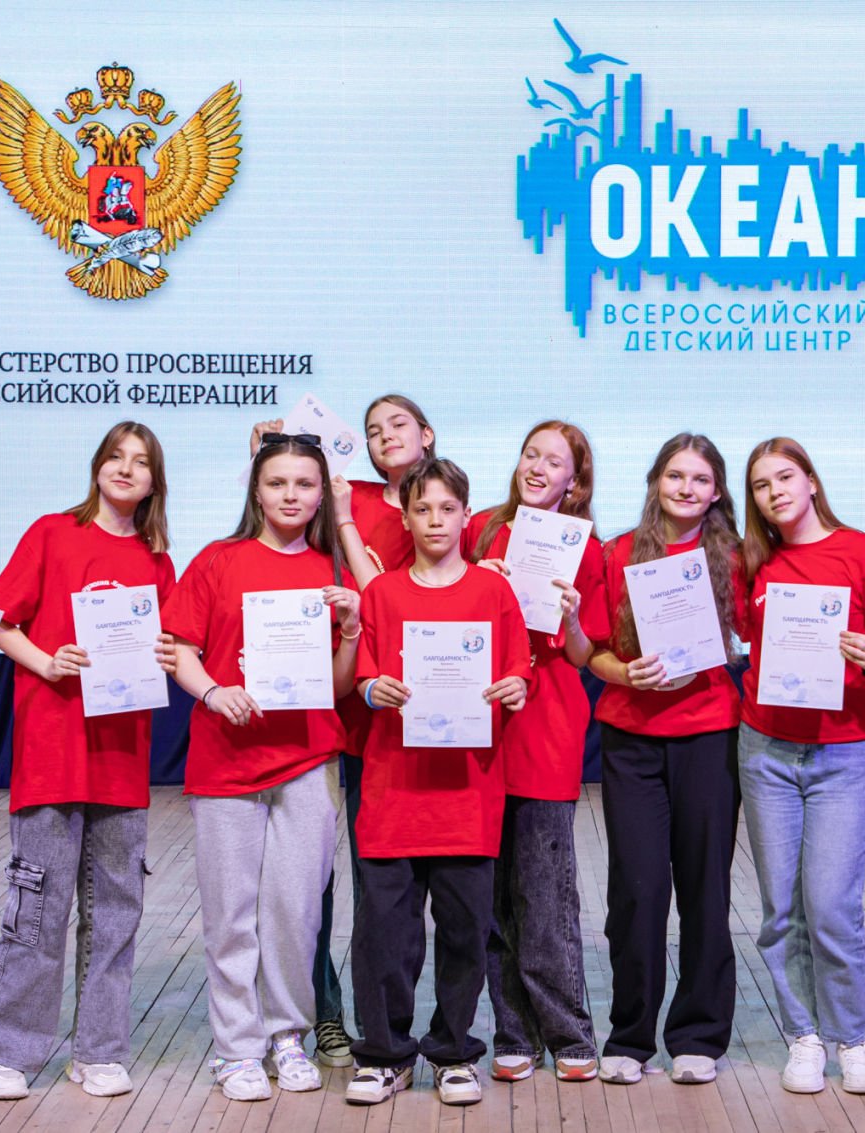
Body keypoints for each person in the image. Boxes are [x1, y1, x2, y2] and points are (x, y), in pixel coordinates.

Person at [0, 421, 177, 1101]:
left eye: (140, 462)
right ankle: (9, 1050)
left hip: (121, 760)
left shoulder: (156, 560)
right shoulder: (52, 533)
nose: (125, 469)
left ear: (153, 482)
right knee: (37, 907)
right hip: (53, 754)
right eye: (115, 456)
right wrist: (46, 662)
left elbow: (169, 645)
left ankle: (100, 1050)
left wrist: (168, 653)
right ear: (96, 466)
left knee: (115, 912)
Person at [164, 434, 362, 1101]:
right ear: (256, 489)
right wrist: (212, 691)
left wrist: (353, 631)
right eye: (278, 482)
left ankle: (287, 1036)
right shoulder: (217, 561)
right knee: (230, 914)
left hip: (306, 760)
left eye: (305, 484)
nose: (291, 495)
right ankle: (237, 1048)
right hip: (226, 762)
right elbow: (181, 649)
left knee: (295, 911)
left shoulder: (332, 572)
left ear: (322, 493)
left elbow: (339, 685)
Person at [250, 393, 438, 1067]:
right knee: (315, 883)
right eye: (372, 428)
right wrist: (264, 451)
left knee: (387, 886)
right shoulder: (341, 492)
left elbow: (394, 599)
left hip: (416, 723)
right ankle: (324, 1015)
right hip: (338, 714)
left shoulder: (441, 505)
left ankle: (383, 1021)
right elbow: (277, 519)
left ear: (427, 433)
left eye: (398, 424)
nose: (385, 435)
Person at [344, 458, 532, 1107]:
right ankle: (385, 1054)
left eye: (447, 509)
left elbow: (518, 672)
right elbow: (362, 678)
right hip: (393, 794)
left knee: (464, 933)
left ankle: (453, 1051)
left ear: (465, 515)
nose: (434, 520)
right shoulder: (381, 594)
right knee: (385, 936)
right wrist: (373, 688)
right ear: (405, 517)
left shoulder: (493, 592)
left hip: (467, 796)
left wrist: (516, 687)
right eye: (422, 509)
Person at [735, 438, 865, 1095]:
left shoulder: (863, 553)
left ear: (810, 480)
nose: (774, 492)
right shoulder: (752, 562)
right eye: (761, 484)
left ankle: (852, 1038)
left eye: (784, 477)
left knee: (831, 905)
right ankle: (803, 1036)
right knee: (781, 909)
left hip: (844, 751)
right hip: (767, 749)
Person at [586, 433, 746, 1087]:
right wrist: (627, 673)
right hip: (632, 738)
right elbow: (593, 651)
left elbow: (758, 638)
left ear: (717, 491)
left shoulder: (736, 557)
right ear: (656, 481)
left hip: (709, 735)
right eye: (675, 475)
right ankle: (630, 1036)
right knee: (638, 889)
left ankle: (699, 1035)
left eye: (700, 478)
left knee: (705, 888)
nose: (686, 488)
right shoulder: (617, 552)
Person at [465, 421, 604, 1083]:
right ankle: (512, 1033)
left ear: (574, 480)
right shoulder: (480, 529)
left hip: (546, 729)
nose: (538, 467)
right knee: (493, 901)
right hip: (481, 727)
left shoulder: (587, 548)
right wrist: (477, 583)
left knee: (546, 895)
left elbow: (583, 653)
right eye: (530, 454)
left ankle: (570, 1033)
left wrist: (571, 616)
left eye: (554, 461)